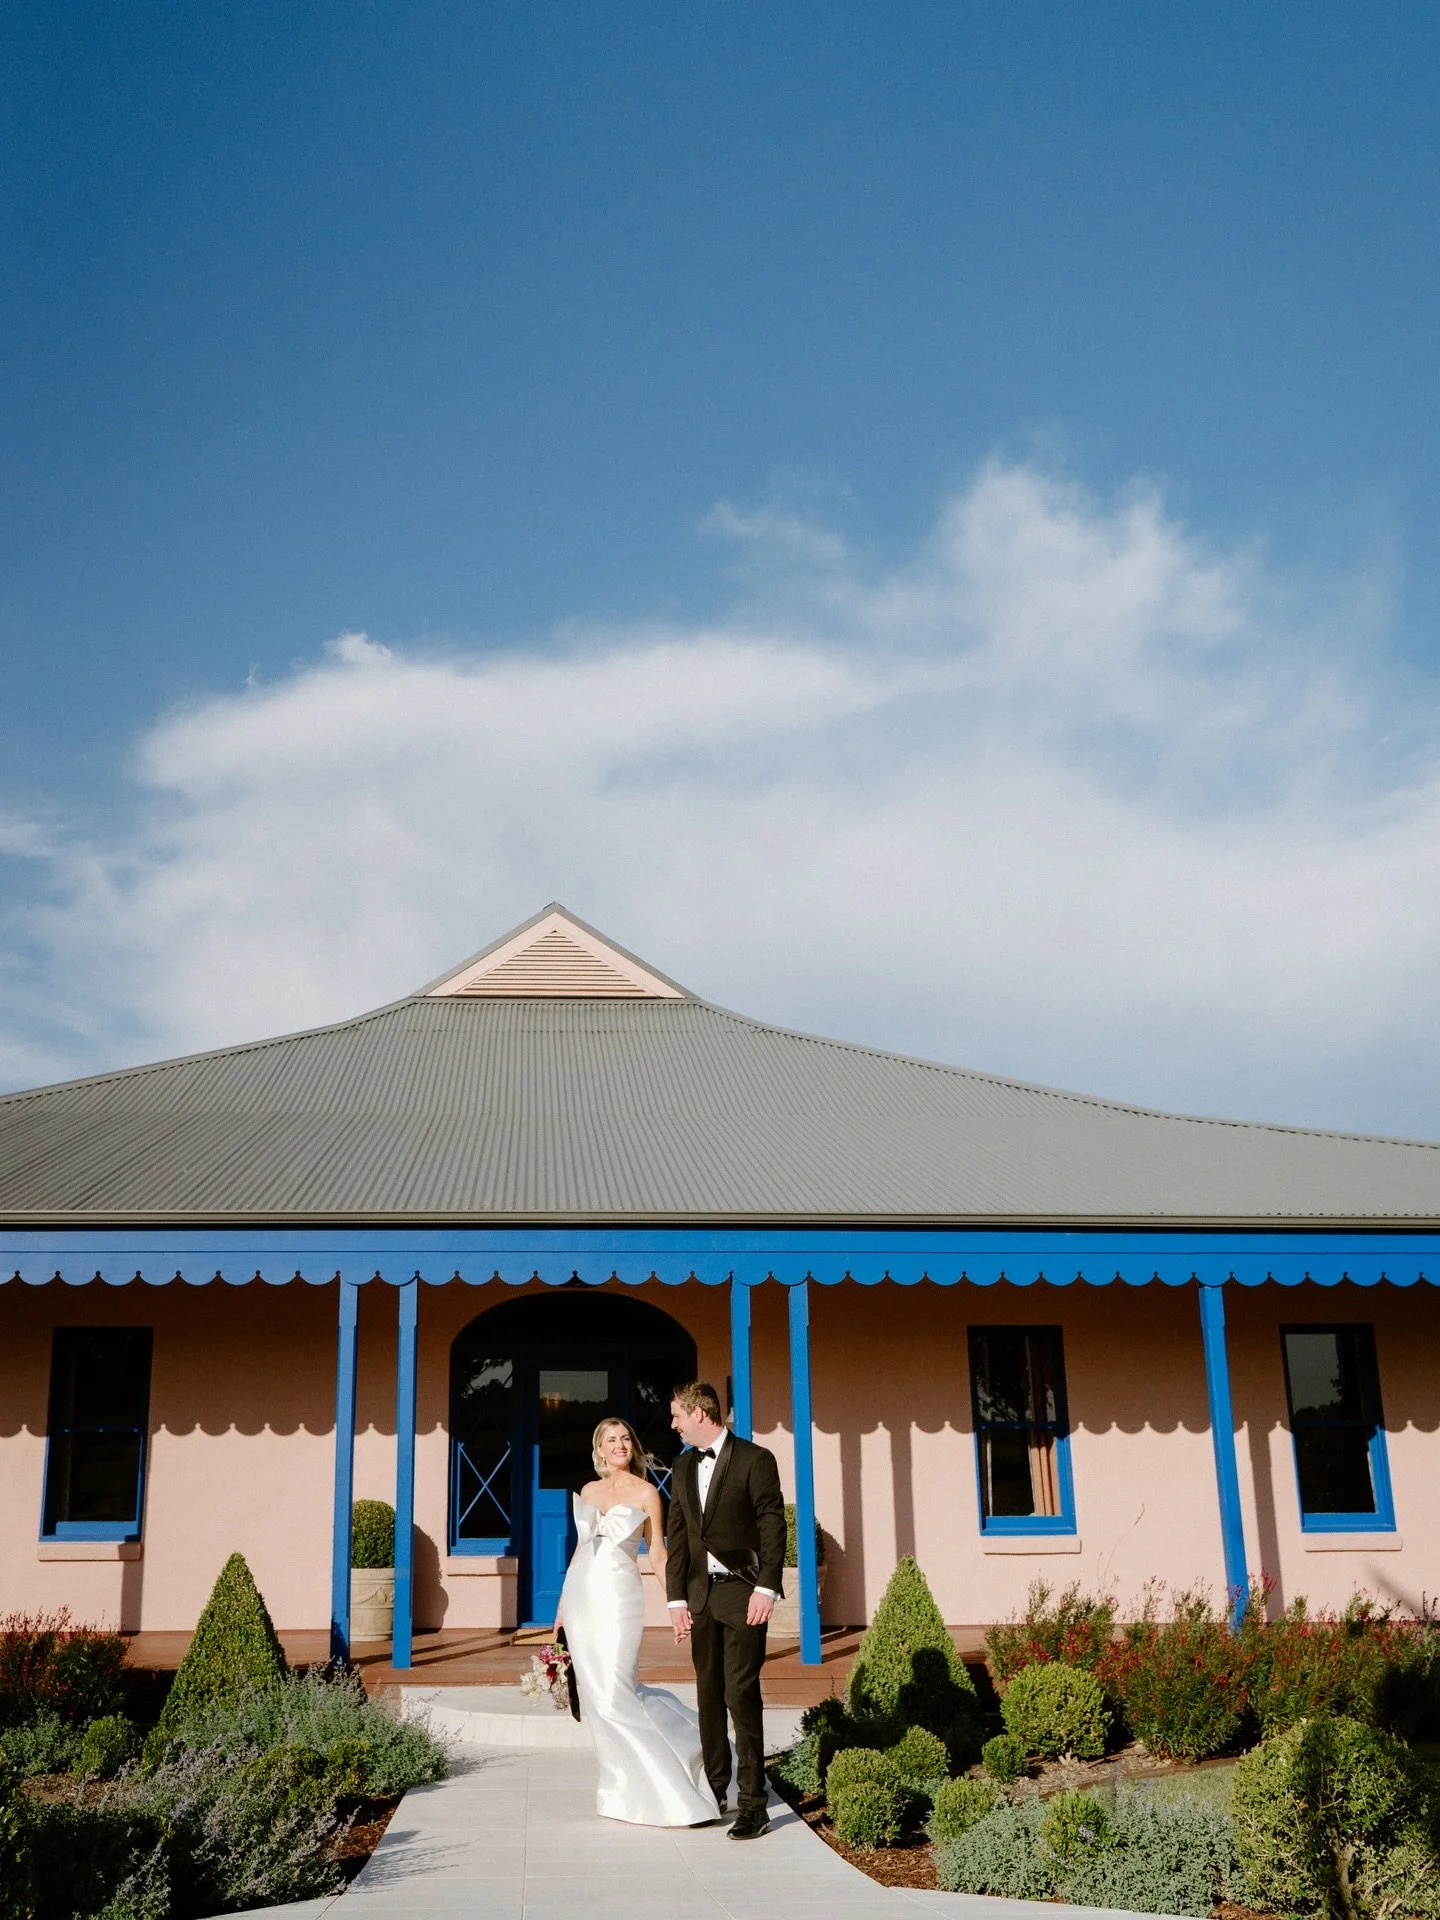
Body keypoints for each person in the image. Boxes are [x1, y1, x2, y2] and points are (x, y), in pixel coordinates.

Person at [555, 1415, 720, 1826]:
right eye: (611, 1439)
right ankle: (622, 1788)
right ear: (599, 1449)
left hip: (619, 1598)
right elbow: (578, 1552)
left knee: (617, 1690)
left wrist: (675, 1603)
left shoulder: (648, 1493)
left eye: (625, 1438)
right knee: (597, 1698)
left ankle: (682, 1774)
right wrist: (560, 1608)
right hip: (581, 1596)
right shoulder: (589, 1491)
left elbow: (657, 1555)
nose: (620, 1445)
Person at [666, 1380, 786, 1841]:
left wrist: (767, 1588)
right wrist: (677, 1600)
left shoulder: (756, 1460)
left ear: (700, 1413)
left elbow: (772, 1526)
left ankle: (754, 1803)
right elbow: (679, 1537)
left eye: (677, 1414)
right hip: (699, 1598)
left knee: (740, 1693)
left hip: (743, 1593)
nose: (673, 1423)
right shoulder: (680, 1466)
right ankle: (716, 1791)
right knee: (708, 1695)